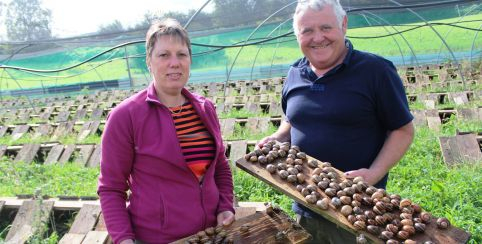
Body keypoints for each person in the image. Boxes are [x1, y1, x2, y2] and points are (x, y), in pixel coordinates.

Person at [258, 0, 414, 243]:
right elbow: (292, 118)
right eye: (307, 30)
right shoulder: (294, 74)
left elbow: (403, 130)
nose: (317, 37)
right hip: (306, 205)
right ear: (297, 34)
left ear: (343, 25)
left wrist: (374, 172)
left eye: (326, 27)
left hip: (359, 210)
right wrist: (279, 136)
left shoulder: (376, 71)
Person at [98, 18, 235, 244]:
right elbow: (111, 188)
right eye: (164, 55)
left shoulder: (204, 108)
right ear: (149, 62)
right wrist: (123, 239)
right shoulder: (126, 116)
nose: (175, 63)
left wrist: (225, 206)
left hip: (210, 235)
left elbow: (219, 165)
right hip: (158, 239)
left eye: (181, 54)